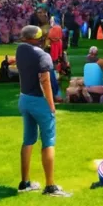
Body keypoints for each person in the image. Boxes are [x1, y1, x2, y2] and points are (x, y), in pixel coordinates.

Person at [15, 25, 70, 197]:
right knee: (48, 142)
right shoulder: (42, 55)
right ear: (38, 39)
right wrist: (51, 104)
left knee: (28, 140)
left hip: (24, 98)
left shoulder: (19, 50)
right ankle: (50, 187)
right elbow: (45, 81)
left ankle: (25, 183)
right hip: (40, 101)